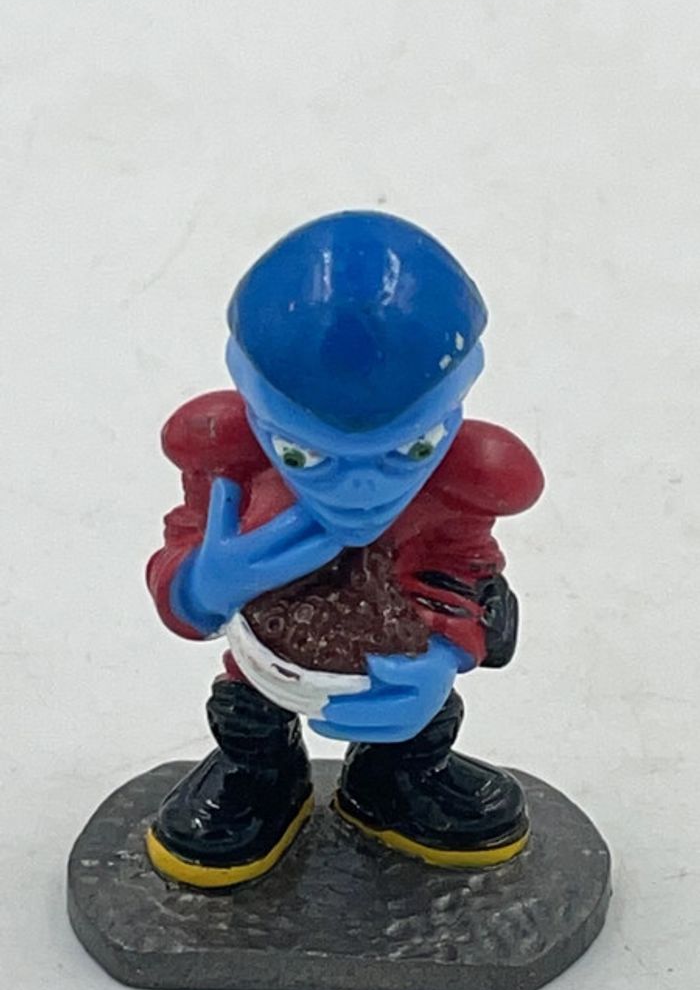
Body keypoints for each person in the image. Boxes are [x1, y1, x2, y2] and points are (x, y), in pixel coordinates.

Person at [146, 211, 544, 889]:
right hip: (261, 665)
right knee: (246, 716)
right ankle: (262, 778)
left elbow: (469, 574)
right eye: (305, 454)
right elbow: (178, 570)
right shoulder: (229, 465)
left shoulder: (461, 485)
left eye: (410, 449)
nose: (361, 490)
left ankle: (396, 782)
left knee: (425, 725)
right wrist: (206, 583)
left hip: (395, 662)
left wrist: (443, 657)